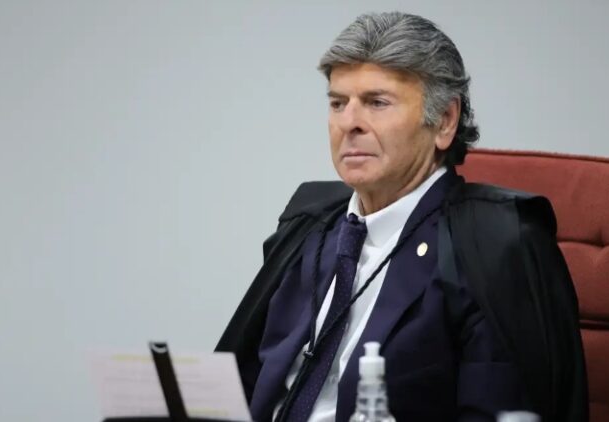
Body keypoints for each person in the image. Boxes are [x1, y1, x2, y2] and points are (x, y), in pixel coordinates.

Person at [216, 11, 588, 422]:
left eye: (376, 103)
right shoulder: (309, 228)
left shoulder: (494, 246)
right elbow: (240, 383)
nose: (349, 124)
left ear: (444, 120)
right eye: (338, 103)